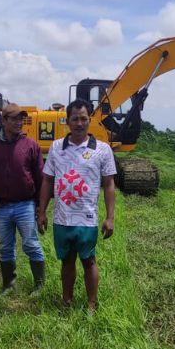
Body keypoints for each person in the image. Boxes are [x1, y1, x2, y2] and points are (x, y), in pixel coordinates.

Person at [37, 98, 116, 313]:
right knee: (67, 261)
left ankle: (91, 303)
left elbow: (109, 184)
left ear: (89, 120)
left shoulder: (103, 149)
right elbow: (47, 181)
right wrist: (42, 211)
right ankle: (67, 300)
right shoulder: (56, 147)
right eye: (74, 119)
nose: (79, 123)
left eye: (83, 119)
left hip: (87, 219)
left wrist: (110, 217)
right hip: (62, 218)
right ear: (67, 121)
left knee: (89, 260)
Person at [0, 103, 45, 295]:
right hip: (1, 207)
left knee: (31, 245)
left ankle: (39, 285)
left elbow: (40, 178)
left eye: (20, 119)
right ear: (4, 120)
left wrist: (41, 206)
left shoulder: (31, 145)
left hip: (26, 204)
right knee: (6, 248)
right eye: (14, 118)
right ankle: (9, 284)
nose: (19, 122)